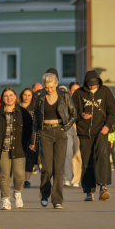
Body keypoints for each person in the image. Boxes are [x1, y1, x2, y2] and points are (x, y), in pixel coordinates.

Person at [30, 70, 77, 209]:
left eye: (52, 87)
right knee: (47, 168)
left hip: (60, 132)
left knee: (59, 168)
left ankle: (57, 200)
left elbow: (73, 114)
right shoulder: (40, 98)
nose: (49, 90)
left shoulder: (65, 96)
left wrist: (65, 127)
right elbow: (36, 120)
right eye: (47, 87)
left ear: (56, 84)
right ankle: (44, 194)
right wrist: (33, 141)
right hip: (45, 133)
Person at [72, 70, 115, 201]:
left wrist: (107, 126)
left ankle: (103, 187)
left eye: (95, 84)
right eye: (90, 84)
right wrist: (81, 115)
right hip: (84, 133)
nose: (92, 86)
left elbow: (113, 111)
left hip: (101, 131)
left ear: (99, 82)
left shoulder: (105, 92)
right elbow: (72, 111)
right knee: (86, 161)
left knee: (102, 156)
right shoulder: (78, 93)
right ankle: (89, 191)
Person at [0, 87, 33, 210]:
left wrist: (32, 143)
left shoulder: (23, 113)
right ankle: (5, 200)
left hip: (19, 148)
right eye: (6, 96)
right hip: (3, 149)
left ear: (16, 97)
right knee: (5, 175)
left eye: (11, 95)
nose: (9, 98)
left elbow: (30, 130)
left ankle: (17, 193)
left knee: (19, 175)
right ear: (2, 99)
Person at [20, 87, 37, 187]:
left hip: (32, 135)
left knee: (30, 157)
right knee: (20, 157)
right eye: (25, 95)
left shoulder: (34, 108)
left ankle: (27, 180)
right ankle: (19, 178)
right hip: (19, 135)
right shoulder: (17, 107)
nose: (26, 97)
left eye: (29, 95)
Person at [68, 82, 82, 187]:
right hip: (68, 127)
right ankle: (68, 177)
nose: (76, 92)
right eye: (73, 90)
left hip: (78, 127)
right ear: (70, 91)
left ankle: (76, 178)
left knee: (77, 153)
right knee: (68, 152)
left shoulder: (82, 101)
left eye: (78, 90)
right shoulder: (66, 101)